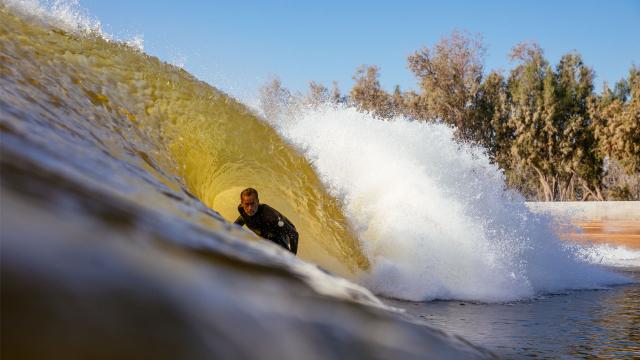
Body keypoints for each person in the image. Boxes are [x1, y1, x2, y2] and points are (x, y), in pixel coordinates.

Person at [234, 188, 298, 255]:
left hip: (279, 234)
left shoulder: (269, 215)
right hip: (264, 231)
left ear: (258, 202)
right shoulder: (241, 209)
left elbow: (293, 233)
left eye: (253, 203)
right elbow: (243, 218)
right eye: (247, 204)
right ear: (242, 204)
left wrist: (292, 256)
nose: (250, 208)